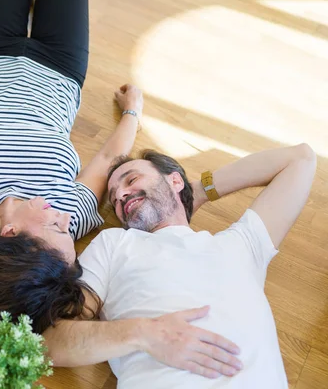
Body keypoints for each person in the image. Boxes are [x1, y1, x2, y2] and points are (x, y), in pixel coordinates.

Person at [0, 0, 144, 295]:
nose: (65, 219)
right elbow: (107, 160)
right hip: (61, 66)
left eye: (54, 227)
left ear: (10, 233)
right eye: (66, 228)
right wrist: (133, 109)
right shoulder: (71, 213)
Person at [42, 144, 317, 387]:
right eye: (114, 199)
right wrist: (143, 333)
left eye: (132, 179)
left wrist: (195, 193)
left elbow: (301, 158)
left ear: (174, 180)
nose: (121, 196)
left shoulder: (242, 245)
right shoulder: (115, 243)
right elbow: (52, 341)